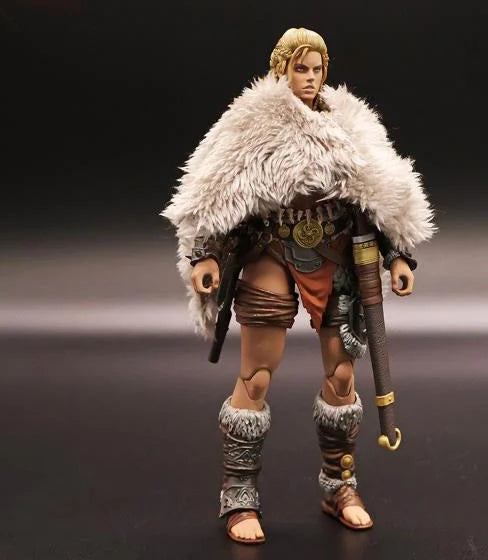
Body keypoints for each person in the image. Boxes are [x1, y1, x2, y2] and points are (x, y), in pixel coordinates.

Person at [162, 27, 435, 544]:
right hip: (273, 250)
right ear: (281, 69)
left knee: (342, 377)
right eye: (300, 68)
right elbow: (215, 192)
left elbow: (378, 196)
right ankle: (239, 494)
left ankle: (340, 485)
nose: (309, 78)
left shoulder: (351, 124)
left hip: (336, 256)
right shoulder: (251, 122)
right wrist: (205, 255)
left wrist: (397, 254)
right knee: (257, 376)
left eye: (317, 69)